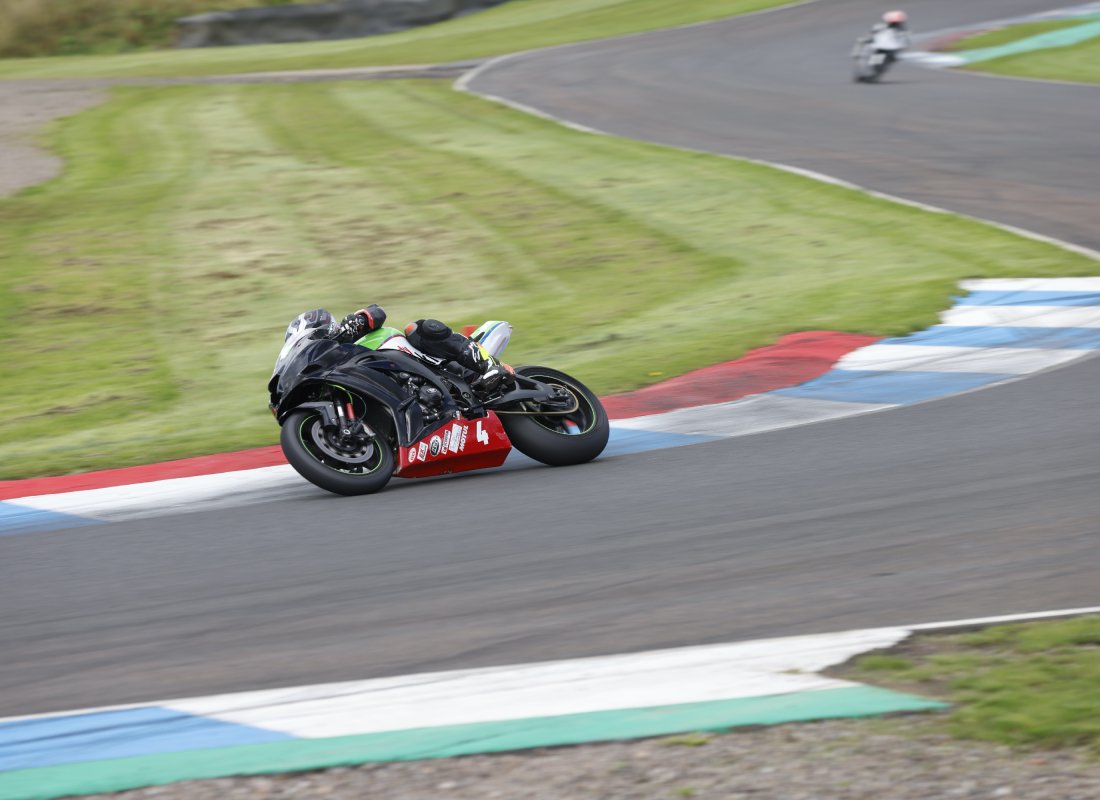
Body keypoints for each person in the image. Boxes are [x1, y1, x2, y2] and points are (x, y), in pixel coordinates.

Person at [330, 304, 512, 392]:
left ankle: (488, 365)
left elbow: (378, 312)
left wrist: (360, 319)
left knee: (418, 328)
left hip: (425, 361)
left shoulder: (348, 333)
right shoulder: (333, 373)